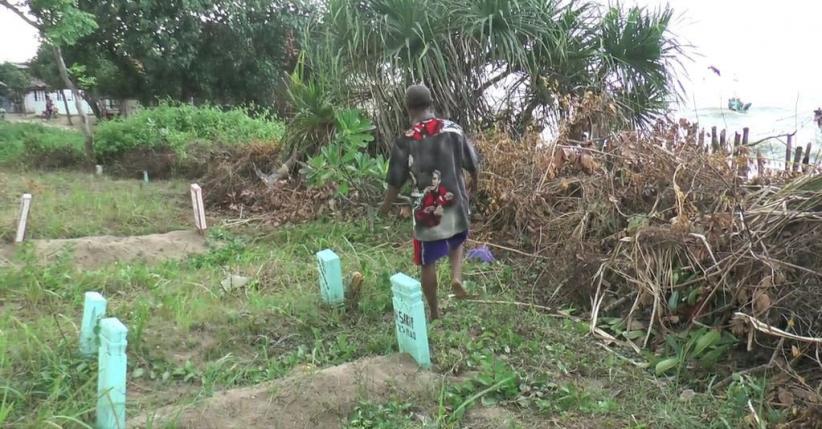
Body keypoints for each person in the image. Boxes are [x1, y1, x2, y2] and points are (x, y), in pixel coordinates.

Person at [379, 84, 479, 320]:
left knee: (428, 261)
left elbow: (395, 182)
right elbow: (473, 164)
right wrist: (473, 187)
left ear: (408, 108)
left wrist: (384, 208)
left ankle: (434, 311)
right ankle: (456, 276)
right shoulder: (454, 129)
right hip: (455, 200)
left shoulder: (406, 140)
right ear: (431, 103)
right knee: (457, 237)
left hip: (427, 211)